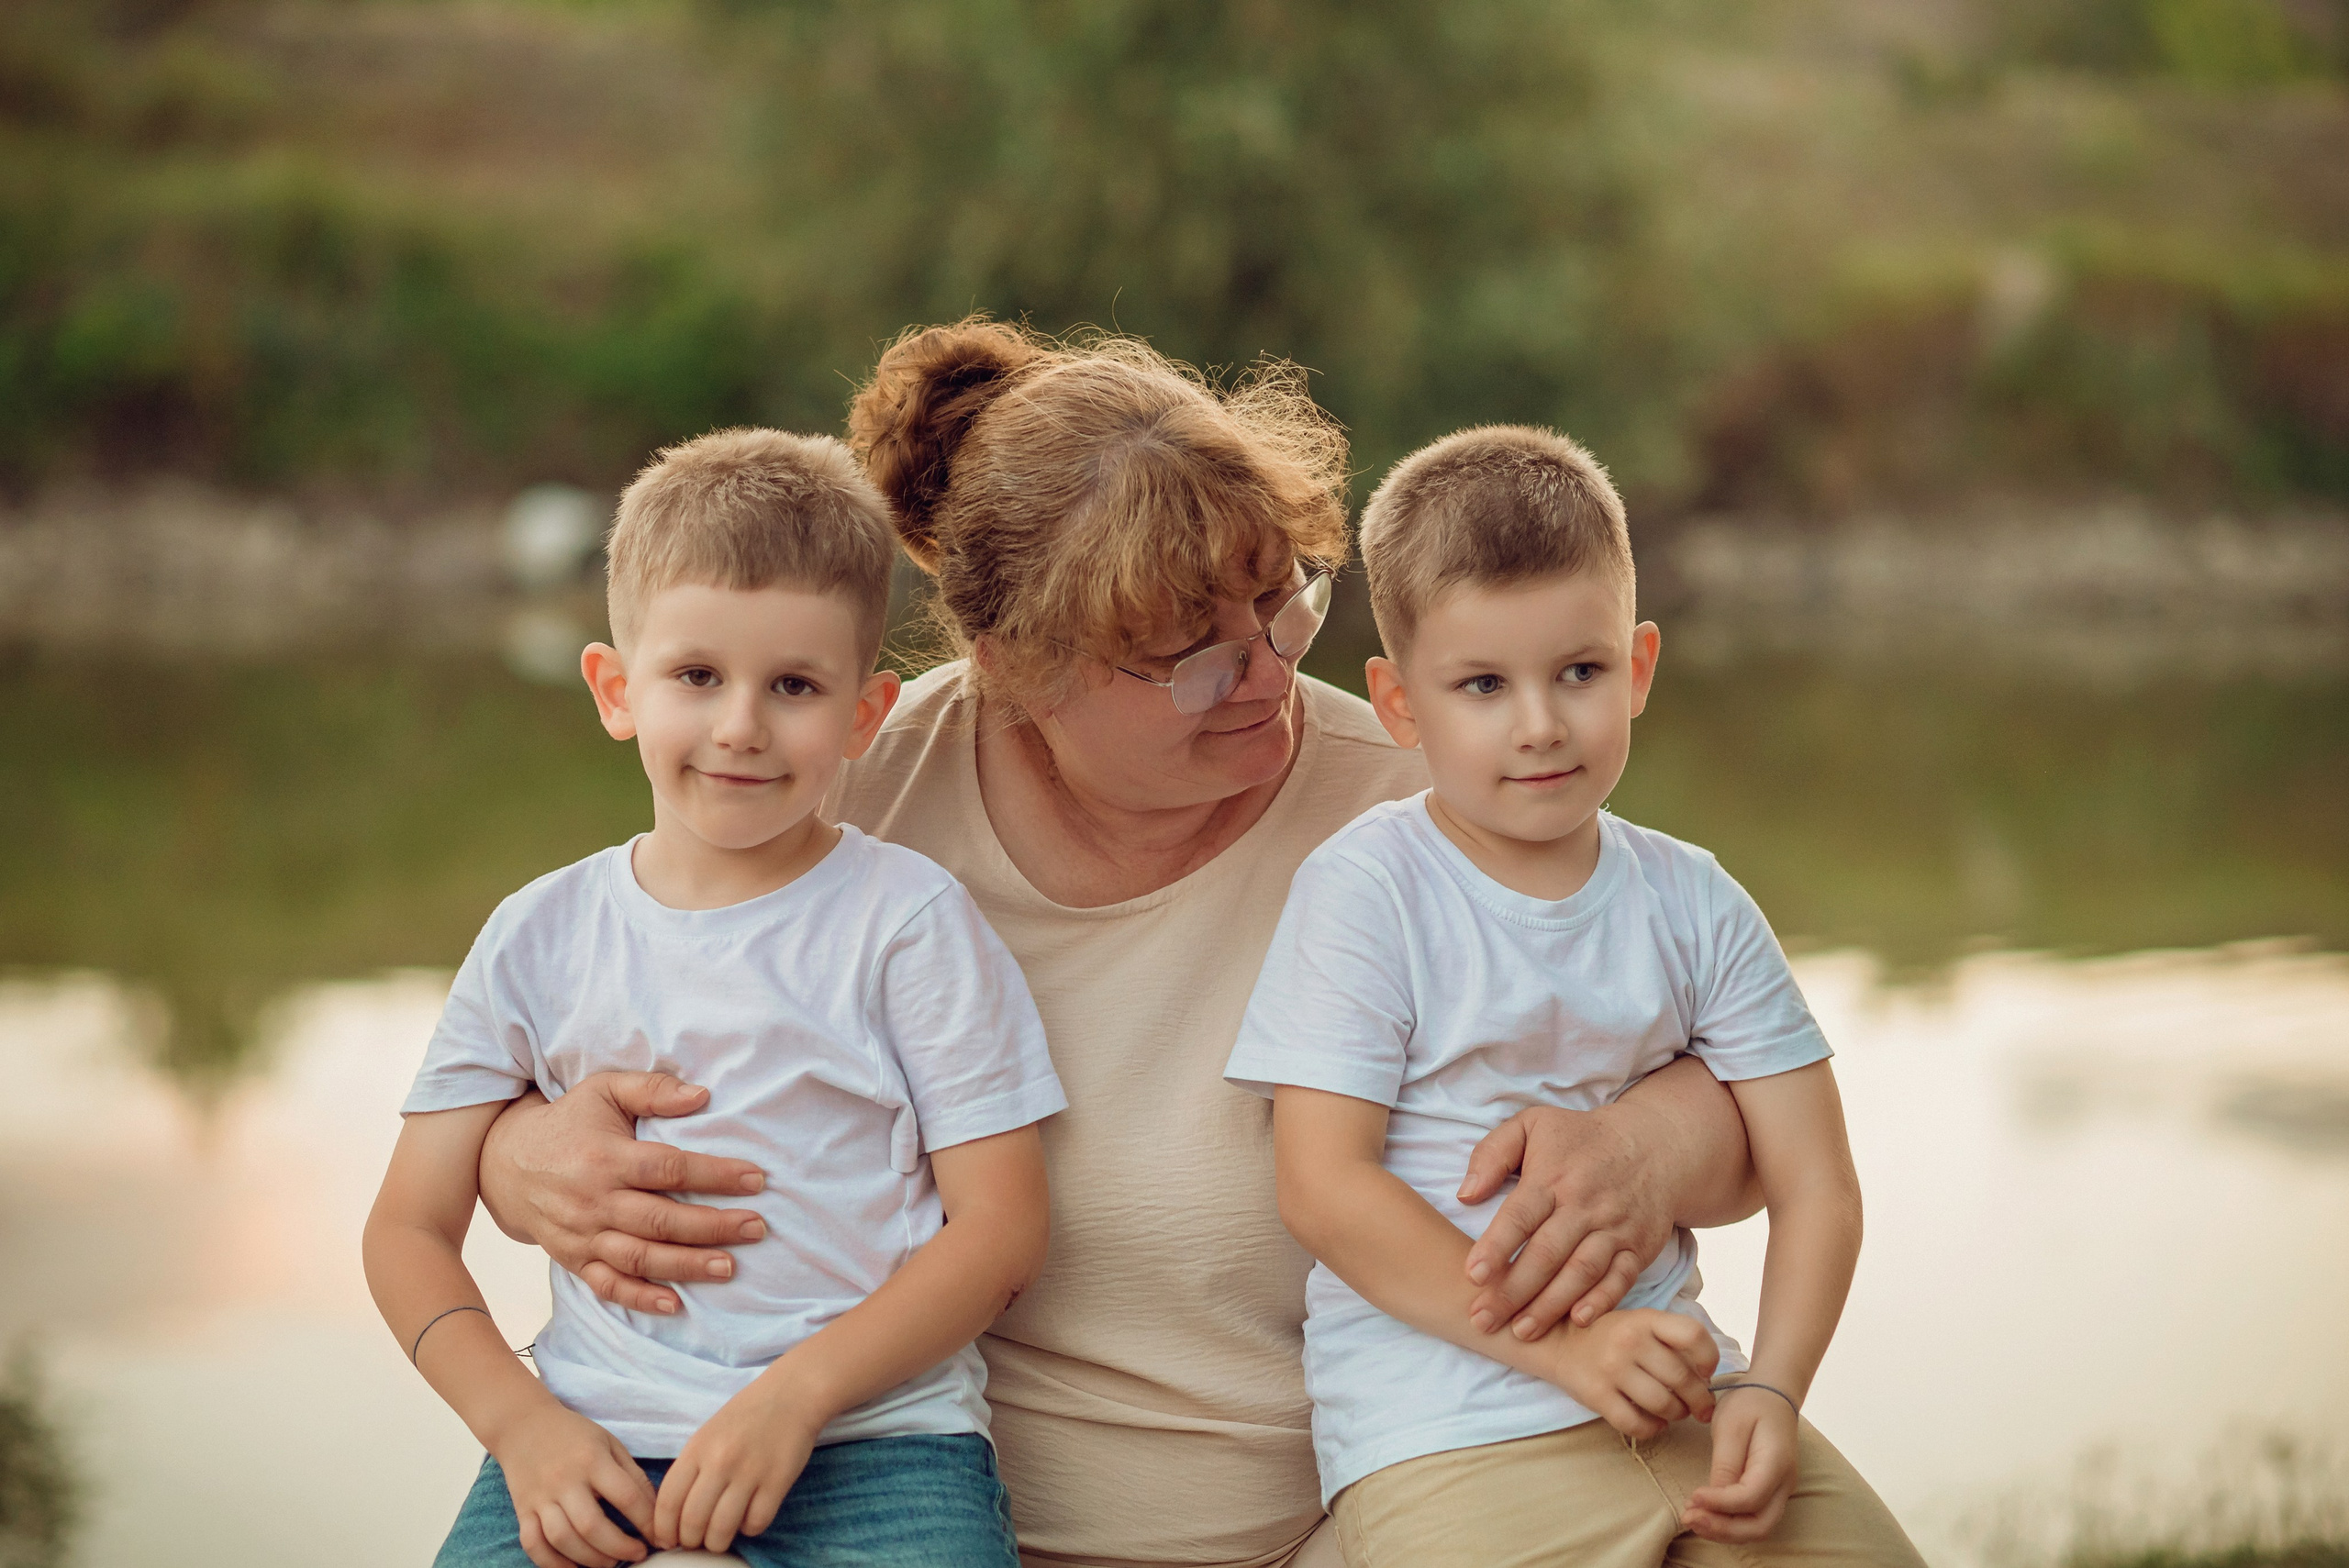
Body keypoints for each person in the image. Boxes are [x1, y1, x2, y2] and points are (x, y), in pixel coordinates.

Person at [472, 322, 1772, 1568]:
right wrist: (520, 1159)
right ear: (1015, 669)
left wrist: (1646, 1145)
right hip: (896, 1521)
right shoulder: (851, 791)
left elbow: (1750, 1091)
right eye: (1190, 657)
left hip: (1359, 1526)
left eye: (1281, 605)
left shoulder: (1433, 799)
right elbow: (590, 988)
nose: (1265, 676)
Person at [362, 428, 1066, 1568]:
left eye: (793, 685)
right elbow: (406, 1227)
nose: (740, 725)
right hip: (592, 1435)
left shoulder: (908, 922)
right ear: (615, 688)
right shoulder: (539, 933)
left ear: (864, 712)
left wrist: (797, 1396)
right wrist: (520, 1424)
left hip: (874, 1444)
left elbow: (1001, 1229)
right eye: (697, 676)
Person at [1227, 425, 1922, 1567]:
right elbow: (1322, 1185)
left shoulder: (1693, 899)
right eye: (1483, 685)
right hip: (1446, 1433)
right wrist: (1566, 1354)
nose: (1541, 724)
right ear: (1400, 703)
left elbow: (1816, 1181)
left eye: (1580, 673)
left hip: (1684, 1394)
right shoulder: (1368, 890)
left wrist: (1775, 1386)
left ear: (1638, 667)